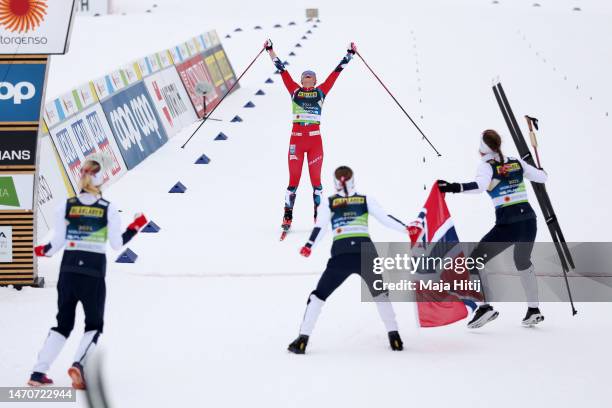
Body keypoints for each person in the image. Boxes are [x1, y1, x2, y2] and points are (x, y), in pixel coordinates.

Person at [27, 159, 148, 389]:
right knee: (93, 325)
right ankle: (78, 366)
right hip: (93, 273)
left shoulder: (66, 206)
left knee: (62, 324)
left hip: (68, 271)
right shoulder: (107, 208)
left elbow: (54, 246)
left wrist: (40, 250)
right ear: (101, 179)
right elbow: (115, 244)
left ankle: (37, 373)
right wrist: (135, 226)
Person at [288, 166, 408, 354]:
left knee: (318, 296)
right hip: (366, 253)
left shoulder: (329, 202)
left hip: (341, 256)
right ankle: (395, 338)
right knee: (380, 294)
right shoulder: (365, 199)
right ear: (353, 180)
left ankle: (302, 340)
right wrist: (408, 229)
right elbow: (385, 219)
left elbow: (320, 227)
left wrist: (309, 245)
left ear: (335, 182)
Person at [437, 130, 548, 328]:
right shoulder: (516, 161)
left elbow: (479, 187)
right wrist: (540, 170)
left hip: (508, 224)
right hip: (529, 221)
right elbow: (542, 177)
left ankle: (484, 307)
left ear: (482, 150)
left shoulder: (486, 166)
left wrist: (452, 187)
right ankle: (534, 310)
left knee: (474, 260)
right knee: (522, 261)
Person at [264, 39, 357, 231]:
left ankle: (318, 216)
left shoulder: (321, 91)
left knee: (316, 182)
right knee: (293, 181)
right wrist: (271, 50)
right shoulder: (294, 91)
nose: (307, 81)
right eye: (304, 78)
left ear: (315, 81)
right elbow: (282, 70)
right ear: (301, 80)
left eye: (310, 78)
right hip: (296, 140)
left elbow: (335, 73)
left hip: (315, 141)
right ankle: (287, 217)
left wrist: (349, 55)